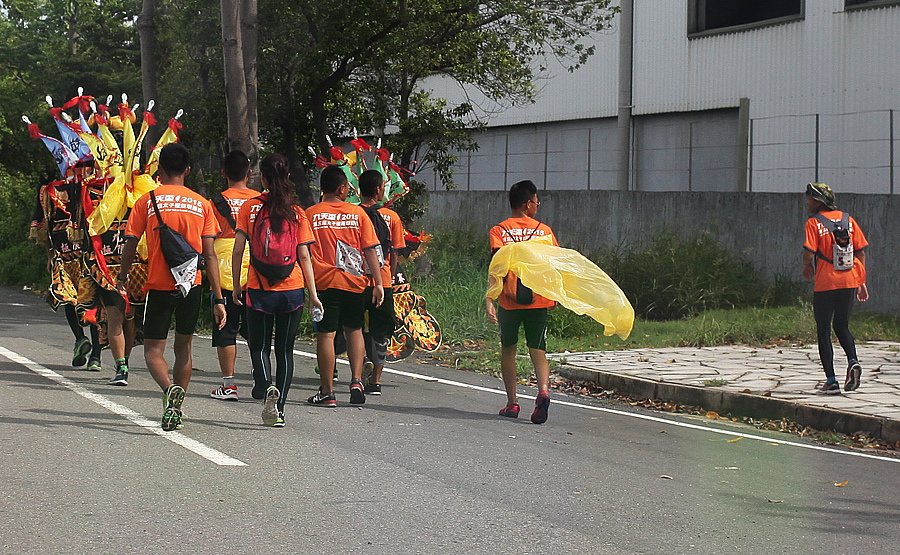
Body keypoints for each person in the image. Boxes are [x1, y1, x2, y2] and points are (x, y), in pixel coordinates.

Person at [118, 143, 226, 431]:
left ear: (159, 170)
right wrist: (218, 298)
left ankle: (168, 391)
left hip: (160, 285)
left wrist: (122, 277)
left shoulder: (147, 201)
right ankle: (178, 404)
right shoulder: (202, 204)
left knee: (153, 350)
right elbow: (210, 255)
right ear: (188, 170)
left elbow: (130, 242)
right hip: (192, 285)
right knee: (184, 347)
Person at [232, 153, 322, 427]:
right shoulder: (297, 213)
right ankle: (279, 407)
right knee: (285, 350)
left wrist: (237, 286)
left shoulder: (251, 208)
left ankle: (266, 385)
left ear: (265, 178)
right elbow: (304, 256)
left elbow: (238, 250)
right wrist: (314, 294)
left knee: (259, 346)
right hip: (292, 289)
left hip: (259, 289)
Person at [305, 164, 383, 406]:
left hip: (324, 284)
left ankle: (327, 391)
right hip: (355, 282)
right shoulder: (358, 214)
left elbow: (304, 252)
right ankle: (357, 380)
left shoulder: (311, 214)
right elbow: (371, 249)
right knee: (354, 330)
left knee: (326, 336)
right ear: (341, 189)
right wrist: (378, 283)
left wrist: (308, 290)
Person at [485, 180, 558, 424]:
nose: (537, 206)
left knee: (509, 349)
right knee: (538, 350)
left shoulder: (499, 231)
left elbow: (497, 268)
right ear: (527, 204)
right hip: (539, 299)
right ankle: (544, 391)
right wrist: (555, 294)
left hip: (509, 300)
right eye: (536, 202)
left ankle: (512, 403)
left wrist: (489, 298)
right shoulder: (545, 231)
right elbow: (553, 264)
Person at [802, 182, 869, 394]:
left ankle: (831, 380)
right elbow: (861, 252)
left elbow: (809, 253)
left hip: (826, 283)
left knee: (823, 330)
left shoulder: (813, 223)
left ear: (818, 201)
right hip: (849, 280)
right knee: (842, 325)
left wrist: (806, 266)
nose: (807, 201)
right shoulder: (848, 221)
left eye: (810, 198)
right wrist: (861, 281)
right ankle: (853, 361)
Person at [209, 151, 260, 401]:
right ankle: (261, 374)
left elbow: (207, 238)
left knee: (225, 327)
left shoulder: (215, 202)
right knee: (256, 328)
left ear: (223, 173)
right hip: (257, 270)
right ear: (249, 174)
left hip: (224, 269)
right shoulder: (260, 200)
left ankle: (228, 385)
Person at [357, 169, 406, 395]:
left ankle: (356, 376)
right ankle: (375, 381)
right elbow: (395, 251)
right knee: (381, 331)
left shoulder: (352, 213)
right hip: (383, 280)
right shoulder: (392, 217)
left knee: (355, 327)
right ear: (378, 190)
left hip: (355, 279)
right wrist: (389, 276)